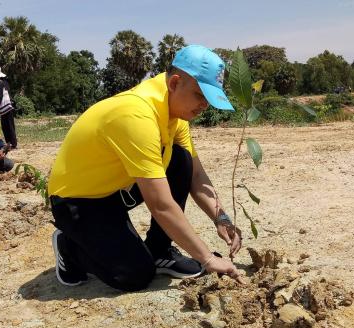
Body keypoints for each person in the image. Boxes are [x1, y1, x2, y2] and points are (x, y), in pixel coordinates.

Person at [48, 45, 244, 292]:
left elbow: (194, 174)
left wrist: (221, 218)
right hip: (77, 202)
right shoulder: (136, 114)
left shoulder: (175, 113)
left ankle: (159, 250)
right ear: (174, 83)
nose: (205, 105)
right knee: (134, 275)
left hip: (115, 193)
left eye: (210, 98)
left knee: (180, 160)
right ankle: (70, 246)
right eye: (200, 95)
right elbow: (160, 204)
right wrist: (208, 258)